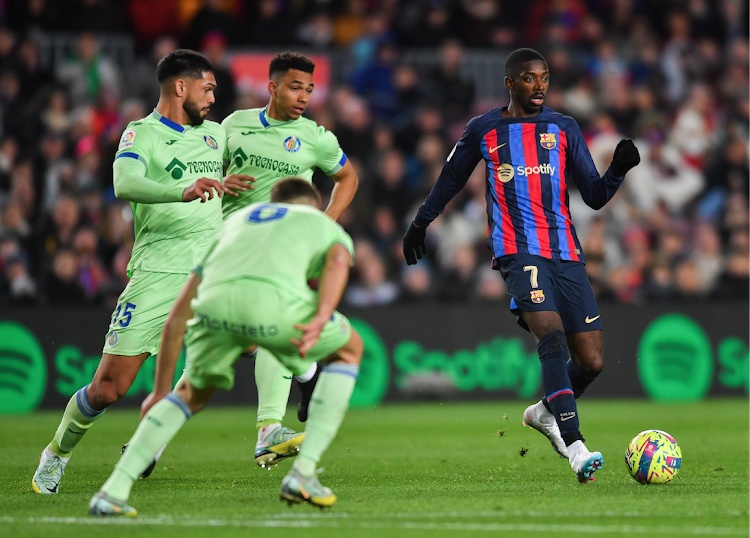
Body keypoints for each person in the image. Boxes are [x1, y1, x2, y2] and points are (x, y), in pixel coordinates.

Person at [402, 48, 640, 484]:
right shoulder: (485, 129)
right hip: (517, 251)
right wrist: (420, 223)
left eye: (545, 77)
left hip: (566, 252)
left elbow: (593, 195)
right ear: (510, 83)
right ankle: (576, 445)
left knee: (591, 361)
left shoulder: (563, 128)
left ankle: (545, 412)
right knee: (549, 334)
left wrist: (618, 171)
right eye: (530, 78)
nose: (540, 85)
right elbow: (451, 177)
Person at [32, 49, 251, 494]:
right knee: (109, 389)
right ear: (180, 86)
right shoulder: (141, 133)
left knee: (241, 346)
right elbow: (124, 183)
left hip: (209, 274)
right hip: (158, 271)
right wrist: (182, 189)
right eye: (207, 88)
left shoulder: (215, 135)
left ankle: (153, 434)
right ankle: (56, 453)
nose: (214, 96)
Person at [89, 178, 363, 516]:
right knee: (351, 347)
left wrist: (160, 391)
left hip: (214, 304)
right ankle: (303, 474)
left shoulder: (236, 221)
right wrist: (322, 315)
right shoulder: (313, 218)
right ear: (310, 202)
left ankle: (112, 492)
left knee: (189, 393)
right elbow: (338, 260)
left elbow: (178, 315)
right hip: (273, 302)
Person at [221, 51, 359, 468]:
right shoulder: (233, 125)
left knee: (265, 332)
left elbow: (348, 177)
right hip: (230, 248)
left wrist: (325, 220)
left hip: (283, 255)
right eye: (296, 87)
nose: (303, 97)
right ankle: (306, 374)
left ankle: (268, 430)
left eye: (310, 89)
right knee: (233, 339)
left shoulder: (316, 137)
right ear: (273, 87)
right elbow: (206, 170)